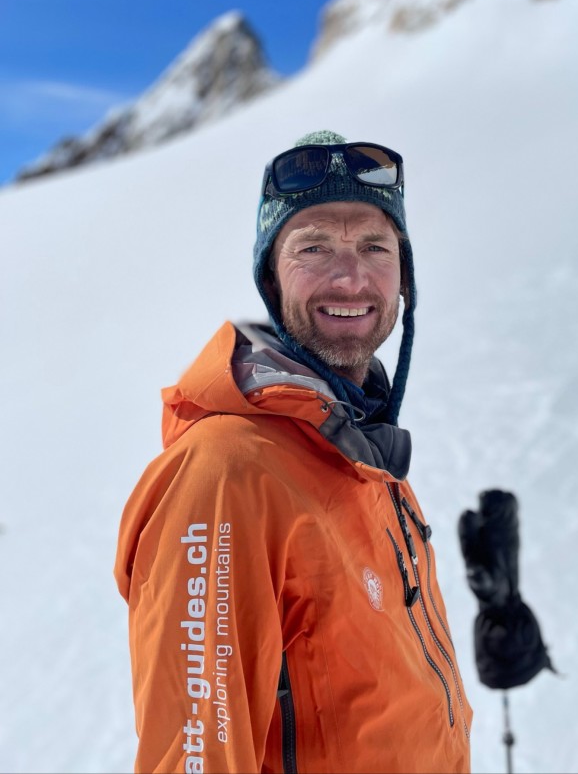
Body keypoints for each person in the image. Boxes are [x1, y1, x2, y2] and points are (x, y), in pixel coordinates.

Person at [115, 129, 472, 773]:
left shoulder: (361, 451)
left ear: (404, 278)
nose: (351, 276)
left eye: (374, 245)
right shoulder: (226, 473)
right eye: (313, 247)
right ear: (271, 279)